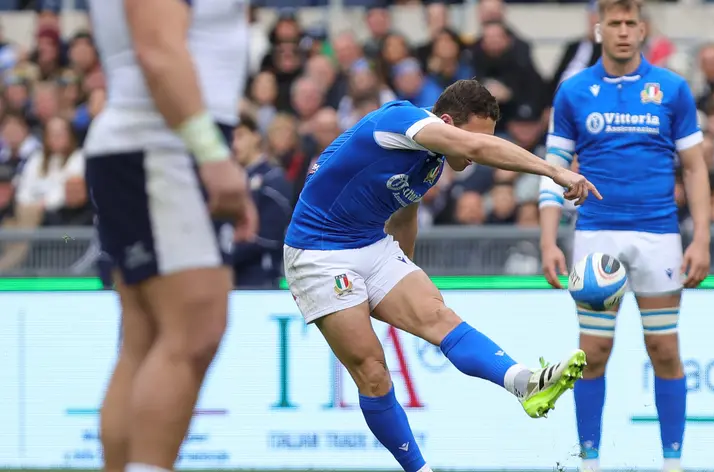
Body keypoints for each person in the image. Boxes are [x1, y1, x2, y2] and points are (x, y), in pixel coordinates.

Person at [284, 79, 600, 472]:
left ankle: (525, 383)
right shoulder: (402, 120)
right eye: (473, 139)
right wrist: (554, 171)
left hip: (370, 242)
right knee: (373, 372)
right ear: (446, 123)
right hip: (318, 252)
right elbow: (475, 149)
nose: (476, 154)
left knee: (439, 316)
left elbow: (405, 213)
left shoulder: (432, 161)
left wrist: (402, 282)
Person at [537, 0, 712, 471]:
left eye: (630, 23)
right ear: (599, 29)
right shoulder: (573, 91)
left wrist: (701, 238)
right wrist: (548, 239)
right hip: (596, 234)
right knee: (593, 353)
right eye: (613, 23)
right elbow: (553, 168)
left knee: (665, 349)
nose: (622, 31)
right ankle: (589, 462)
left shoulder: (672, 89)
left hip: (660, 233)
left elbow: (695, 168)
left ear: (642, 29)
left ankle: (672, 464)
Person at [84, 2, 256, 472]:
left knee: (145, 339)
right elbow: (157, 48)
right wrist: (212, 154)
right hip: (163, 142)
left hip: (158, 141)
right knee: (195, 328)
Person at [231, 115, 293, 288]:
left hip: (261, 282)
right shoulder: (231, 181)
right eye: (231, 137)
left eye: (240, 136)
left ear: (256, 136)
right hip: (232, 279)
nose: (234, 144)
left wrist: (224, 255)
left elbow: (268, 239)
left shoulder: (273, 180)